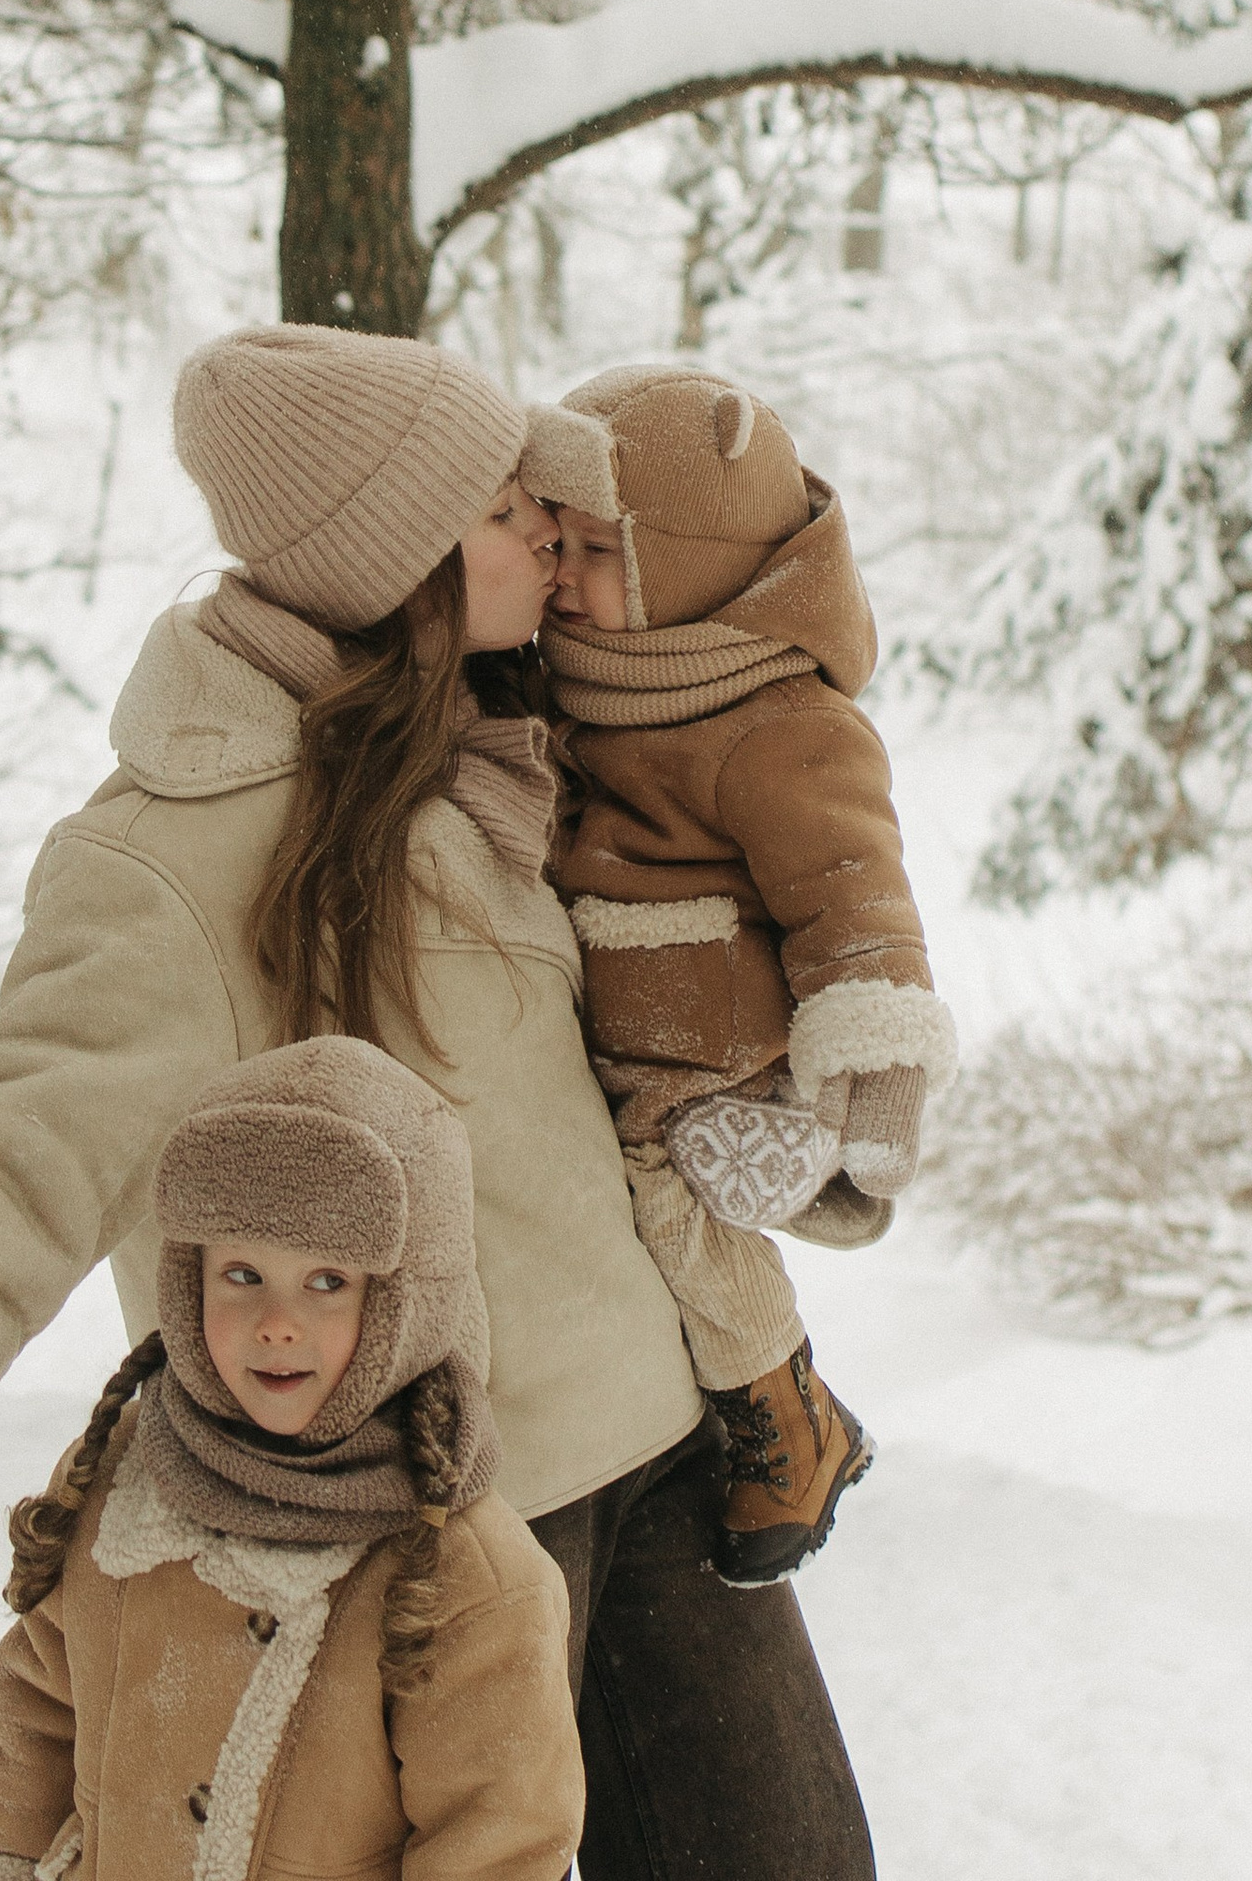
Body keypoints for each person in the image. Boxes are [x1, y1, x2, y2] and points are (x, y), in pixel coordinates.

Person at [0, 323, 876, 1881]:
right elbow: (7, 1155)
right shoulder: (178, 852)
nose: (540, 526)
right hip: (438, 1522)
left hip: (655, 1456)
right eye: (493, 511)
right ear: (396, 565)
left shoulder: (499, 744)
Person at [0, 1036, 582, 1881]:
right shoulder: (125, 1481)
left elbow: (499, 1842)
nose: (276, 1321)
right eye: (240, 1273)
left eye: (327, 1281)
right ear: (187, 1279)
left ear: (407, 1298)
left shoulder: (462, 1573)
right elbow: (37, 1717)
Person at [539, 364, 956, 1586]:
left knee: (660, 1196)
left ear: (694, 563)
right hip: (621, 1026)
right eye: (550, 542)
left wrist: (875, 1082)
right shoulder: (591, 680)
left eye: (597, 551)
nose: (562, 574)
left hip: (715, 1047)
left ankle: (792, 1415)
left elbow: (857, 901)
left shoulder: (781, 719)